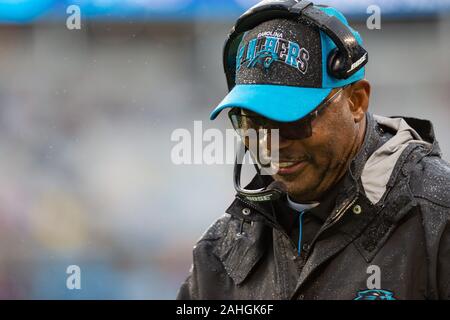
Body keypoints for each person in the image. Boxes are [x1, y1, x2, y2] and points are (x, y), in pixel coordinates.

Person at [177, 0, 450, 300]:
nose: (271, 144)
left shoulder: (437, 221)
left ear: (356, 101)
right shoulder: (218, 255)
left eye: (294, 121)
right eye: (254, 123)